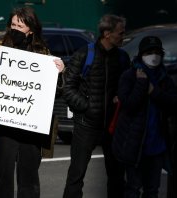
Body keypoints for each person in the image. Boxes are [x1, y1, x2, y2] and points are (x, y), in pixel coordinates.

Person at [0, 6, 65, 198]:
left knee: (29, 181)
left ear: (31, 29)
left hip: (31, 129)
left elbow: (53, 91)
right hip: (3, 127)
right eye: (13, 24)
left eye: (20, 25)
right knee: (2, 180)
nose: (15, 28)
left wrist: (59, 72)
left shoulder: (42, 52)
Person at [62, 14, 129, 198]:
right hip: (87, 125)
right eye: (120, 33)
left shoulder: (123, 57)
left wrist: (121, 97)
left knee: (116, 177)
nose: (123, 36)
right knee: (76, 175)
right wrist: (87, 107)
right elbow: (68, 88)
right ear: (107, 33)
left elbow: (126, 87)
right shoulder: (85, 54)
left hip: (113, 126)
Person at [111, 36, 177, 198]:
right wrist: (142, 85)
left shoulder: (164, 77)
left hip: (157, 146)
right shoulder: (130, 75)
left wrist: (154, 92)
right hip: (135, 145)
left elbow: (175, 102)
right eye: (149, 52)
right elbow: (128, 105)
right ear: (141, 54)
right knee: (133, 188)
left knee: (152, 190)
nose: (154, 56)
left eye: (157, 52)